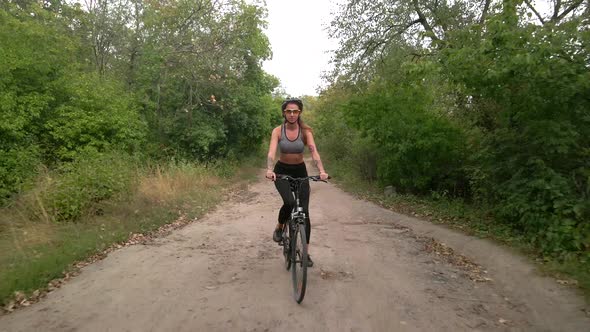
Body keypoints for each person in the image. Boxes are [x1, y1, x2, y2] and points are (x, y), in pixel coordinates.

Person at [265, 98, 329, 267]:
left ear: (299, 113)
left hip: (300, 171)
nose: (292, 114)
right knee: (290, 202)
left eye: (295, 111)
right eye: (288, 111)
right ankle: (279, 227)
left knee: (305, 213)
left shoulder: (305, 131)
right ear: (284, 113)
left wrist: (322, 171)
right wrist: (270, 169)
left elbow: (314, 152)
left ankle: (305, 253)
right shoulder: (278, 131)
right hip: (281, 171)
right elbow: (272, 152)